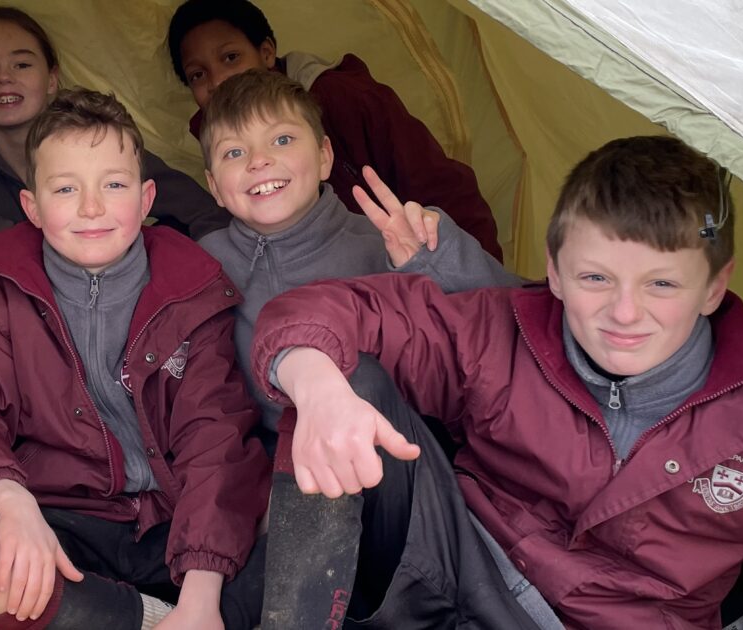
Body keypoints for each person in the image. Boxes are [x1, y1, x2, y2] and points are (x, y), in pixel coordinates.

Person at [251, 135, 743, 628]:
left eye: (662, 285)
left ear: (714, 286)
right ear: (556, 273)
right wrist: (318, 388)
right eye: (596, 278)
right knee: (339, 377)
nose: (624, 314)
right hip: (462, 569)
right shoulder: (499, 330)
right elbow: (317, 312)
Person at [0, 88, 269, 629]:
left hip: (178, 524)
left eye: (114, 185)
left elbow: (214, 439)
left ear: (146, 200)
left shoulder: (193, 292)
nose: (92, 207)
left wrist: (201, 594)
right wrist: (12, 503)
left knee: (308, 504)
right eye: (65, 188)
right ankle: (147, 621)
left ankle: (186, 617)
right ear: (32, 206)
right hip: (61, 526)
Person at [194, 67, 539, 628]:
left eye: (282, 140)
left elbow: (519, 325)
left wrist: (434, 262)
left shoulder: (383, 239)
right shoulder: (203, 266)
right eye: (235, 152)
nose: (259, 161)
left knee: (360, 377)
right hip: (283, 500)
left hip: (401, 489)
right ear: (212, 184)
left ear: (326, 158)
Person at [169, 0, 506, 258]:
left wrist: (475, 283)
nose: (217, 81)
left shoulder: (341, 99)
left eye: (230, 58)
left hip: (408, 271)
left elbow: (442, 188)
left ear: (267, 52)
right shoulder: (214, 145)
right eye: (198, 74)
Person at [0, 7, 228, 278]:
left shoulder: (96, 141)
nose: (4, 78)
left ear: (51, 79)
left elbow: (201, 210)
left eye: (22, 64)